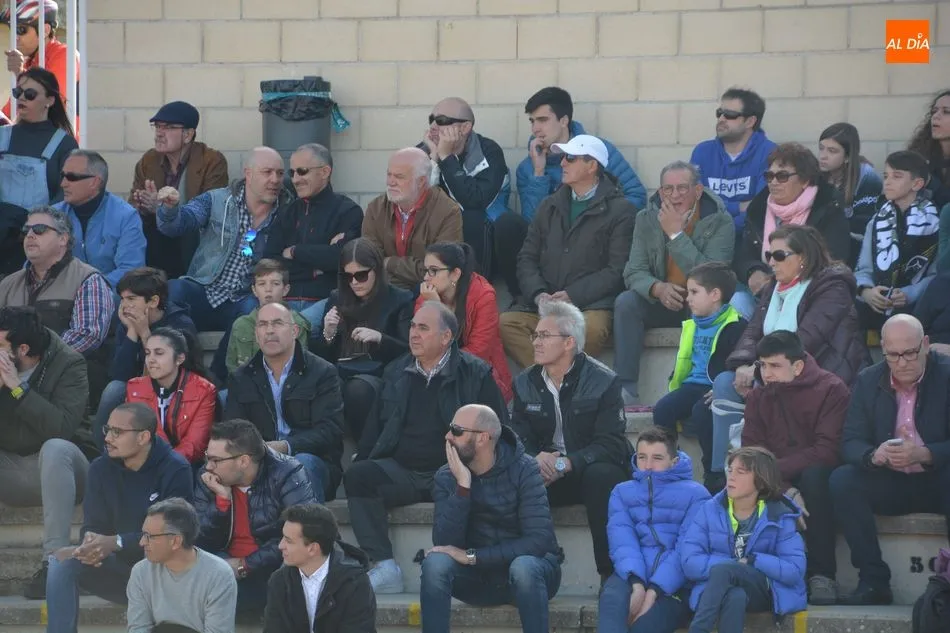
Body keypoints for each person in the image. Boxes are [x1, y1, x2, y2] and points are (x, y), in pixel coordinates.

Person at [343, 301, 507, 594]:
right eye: (412, 327)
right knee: (358, 476)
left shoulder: (475, 373)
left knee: (461, 486)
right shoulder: (396, 370)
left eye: (423, 328)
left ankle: (457, 568)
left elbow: (500, 431)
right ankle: (384, 566)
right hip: (402, 471)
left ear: (446, 337)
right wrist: (363, 458)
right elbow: (375, 429)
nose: (413, 334)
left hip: (452, 471)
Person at [709, 225, 869, 488]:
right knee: (724, 384)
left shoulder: (833, 286)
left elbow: (805, 341)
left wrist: (758, 369)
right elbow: (753, 331)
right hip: (775, 370)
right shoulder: (775, 286)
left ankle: (752, 474)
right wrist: (744, 364)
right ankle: (724, 475)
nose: (771, 263)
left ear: (803, 257)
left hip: (821, 372)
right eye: (769, 255)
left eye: (779, 256)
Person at [830, 314, 950, 606]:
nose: (902, 362)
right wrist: (874, 455)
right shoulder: (868, 379)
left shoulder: (946, 375)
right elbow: (851, 440)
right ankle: (873, 581)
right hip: (891, 481)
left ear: (925, 344)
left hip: (940, 479)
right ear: (883, 349)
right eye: (893, 355)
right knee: (843, 480)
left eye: (910, 353)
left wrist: (926, 453)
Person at [45, 402, 194, 633]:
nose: (107, 438)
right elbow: (93, 525)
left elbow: (173, 537)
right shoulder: (100, 468)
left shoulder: (175, 469)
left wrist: (116, 542)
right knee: (61, 562)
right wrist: (91, 545)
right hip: (120, 570)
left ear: (143, 437)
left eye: (117, 432)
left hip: (161, 573)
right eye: (107, 430)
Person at [510, 300, 630, 582]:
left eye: (544, 335)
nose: (535, 342)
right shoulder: (524, 382)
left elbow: (611, 444)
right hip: (546, 471)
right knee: (513, 475)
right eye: (535, 335)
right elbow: (516, 435)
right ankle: (526, 571)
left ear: (569, 342)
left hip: (586, 469)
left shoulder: (603, 381)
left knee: (603, 476)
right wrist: (535, 459)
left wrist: (566, 463)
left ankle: (609, 575)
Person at [421, 404, 562, 633]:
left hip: (530, 575)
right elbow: (445, 543)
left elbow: (538, 541)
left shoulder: (525, 469)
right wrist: (463, 487)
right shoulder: (447, 476)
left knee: (524, 567)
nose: (447, 436)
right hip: (479, 579)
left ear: (482, 438)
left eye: (456, 430)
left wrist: (472, 557)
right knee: (435, 564)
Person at [498, 86, 645, 303]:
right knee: (507, 225)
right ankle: (527, 298)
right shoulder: (528, 167)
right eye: (532, 121)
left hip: (594, 245)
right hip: (550, 245)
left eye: (543, 120)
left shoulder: (597, 150)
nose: (536, 128)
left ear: (564, 120)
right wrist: (539, 173)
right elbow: (532, 221)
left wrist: (601, 217)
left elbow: (636, 195)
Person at [156, 146, 292, 381]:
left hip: (244, 296)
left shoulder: (289, 211)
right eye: (267, 172)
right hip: (206, 289)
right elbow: (178, 224)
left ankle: (217, 380)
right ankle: (189, 367)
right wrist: (169, 209)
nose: (275, 180)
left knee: (255, 309)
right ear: (248, 174)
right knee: (174, 289)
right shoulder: (218, 200)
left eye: (280, 173)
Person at [500, 135, 635, 368]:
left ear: (592, 166)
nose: (562, 163)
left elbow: (617, 270)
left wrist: (572, 295)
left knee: (592, 330)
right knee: (506, 324)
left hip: (591, 305)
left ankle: (554, 379)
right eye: (563, 157)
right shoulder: (549, 205)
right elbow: (527, 257)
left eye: (570, 158)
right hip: (547, 303)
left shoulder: (621, 210)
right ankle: (554, 378)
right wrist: (539, 294)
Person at [613, 160, 740, 407]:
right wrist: (657, 288)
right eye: (668, 189)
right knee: (626, 303)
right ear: (660, 192)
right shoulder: (645, 218)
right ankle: (625, 389)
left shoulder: (720, 221)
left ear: (698, 191)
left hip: (699, 304)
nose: (674, 195)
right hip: (662, 299)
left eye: (682, 188)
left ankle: (702, 384)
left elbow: (714, 277)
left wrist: (675, 234)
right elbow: (634, 271)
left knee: (711, 303)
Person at [740, 331, 850, 605]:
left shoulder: (832, 389)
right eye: (762, 365)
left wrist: (774, 472)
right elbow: (752, 454)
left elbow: (827, 450)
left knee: (815, 478)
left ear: (798, 366)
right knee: (732, 479)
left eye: (775, 366)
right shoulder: (757, 397)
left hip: (819, 471)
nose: (766, 374)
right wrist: (786, 489)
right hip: (776, 478)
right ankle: (748, 574)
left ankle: (822, 575)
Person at [0, 307, 88, 600]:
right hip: (13, 469)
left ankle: (55, 563)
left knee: (55, 449)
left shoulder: (69, 363)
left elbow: (60, 428)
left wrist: (16, 388)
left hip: (64, 471)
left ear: (22, 349)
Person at [679, 446, 807, 633]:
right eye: (730, 470)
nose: (731, 477)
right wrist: (735, 564)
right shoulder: (709, 510)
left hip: (765, 589)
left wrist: (753, 560)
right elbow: (690, 561)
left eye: (741, 472)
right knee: (735, 596)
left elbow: (794, 570)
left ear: (761, 481)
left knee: (725, 570)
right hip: (720, 588)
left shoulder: (779, 515)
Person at [194, 419, 316, 615]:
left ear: (243, 461)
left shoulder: (287, 473)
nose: (208, 466)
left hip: (271, 568)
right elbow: (200, 538)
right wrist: (221, 503)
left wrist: (245, 565)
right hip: (223, 564)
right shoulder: (209, 478)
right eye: (207, 457)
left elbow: (301, 535)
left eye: (216, 460)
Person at [226, 302, 344, 502]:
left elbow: (330, 431)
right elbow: (233, 432)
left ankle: (307, 524)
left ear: (295, 331)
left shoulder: (322, 372)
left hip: (313, 461)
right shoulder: (241, 377)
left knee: (300, 465)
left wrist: (285, 446)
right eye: (263, 324)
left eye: (277, 323)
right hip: (260, 460)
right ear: (256, 334)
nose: (269, 330)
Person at [598, 426, 710, 633]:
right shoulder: (621, 492)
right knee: (612, 605)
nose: (648, 466)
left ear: (674, 461)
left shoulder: (697, 495)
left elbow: (686, 551)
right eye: (642, 457)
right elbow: (622, 542)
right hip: (630, 574)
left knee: (644, 627)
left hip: (676, 584)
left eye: (657, 458)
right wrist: (637, 583)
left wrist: (653, 591)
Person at [651, 262, 746, 485]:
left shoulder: (736, 325)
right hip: (692, 385)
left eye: (694, 292)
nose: (688, 298)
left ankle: (714, 474)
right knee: (663, 409)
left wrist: (722, 389)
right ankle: (669, 467)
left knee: (702, 413)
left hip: (715, 388)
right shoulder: (692, 322)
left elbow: (738, 362)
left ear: (715, 295)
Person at [311, 238, 413, 443]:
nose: (354, 282)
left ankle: (366, 448)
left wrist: (380, 338)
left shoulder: (400, 299)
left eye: (361, 275)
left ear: (376, 270)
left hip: (379, 372)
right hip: (340, 369)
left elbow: (409, 350)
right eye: (347, 276)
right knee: (324, 384)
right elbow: (321, 357)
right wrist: (328, 333)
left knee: (358, 389)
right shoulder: (337, 297)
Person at [94, 267, 197, 451]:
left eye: (131, 299)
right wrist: (132, 332)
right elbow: (119, 375)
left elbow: (168, 372)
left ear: (154, 301)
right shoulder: (127, 324)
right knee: (114, 389)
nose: (124, 305)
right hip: (136, 388)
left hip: (175, 391)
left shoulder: (180, 324)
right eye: (122, 299)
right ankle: (102, 451)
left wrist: (144, 333)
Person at [263, 142, 362, 325]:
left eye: (302, 171)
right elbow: (271, 262)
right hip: (285, 300)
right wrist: (315, 269)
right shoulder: (287, 212)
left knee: (292, 328)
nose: (295, 179)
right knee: (245, 327)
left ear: (325, 172)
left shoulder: (348, 211)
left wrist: (295, 251)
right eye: (292, 172)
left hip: (327, 302)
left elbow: (341, 260)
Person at [735, 143, 850, 298]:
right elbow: (745, 254)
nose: (773, 182)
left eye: (782, 176)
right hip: (763, 293)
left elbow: (832, 261)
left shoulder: (828, 209)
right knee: (738, 300)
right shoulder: (758, 210)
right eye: (769, 176)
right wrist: (753, 271)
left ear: (804, 180)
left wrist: (781, 282)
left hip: (810, 294)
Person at [130, 101, 229, 279]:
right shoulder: (149, 160)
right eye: (157, 126)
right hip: (156, 241)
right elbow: (132, 207)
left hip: (192, 242)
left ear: (188, 135)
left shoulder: (212, 161)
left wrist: (163, 208)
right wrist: (142, 205)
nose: (159, 133)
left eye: (168, 127)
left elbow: (213, 210)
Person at [0, 206, 113, 354]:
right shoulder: (8, 283)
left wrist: (35, 357)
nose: (30, 235)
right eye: (26, 230)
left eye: (39, 229)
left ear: (63, 239)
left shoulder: (89, 280)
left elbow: (86, 336)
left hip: (62, 367)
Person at [0, 66, 77, 275]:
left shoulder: (64, 144)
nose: (21, 98)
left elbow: (66, 193)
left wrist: (37, 227)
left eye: (30, 94)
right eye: (18, 92)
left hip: (36, 242)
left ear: (50, 101)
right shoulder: (2, 135)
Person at [420, 97, 509, 274]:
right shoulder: (422, 151)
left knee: (472, 217)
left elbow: (475, 201)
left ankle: (476, 283)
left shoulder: (489, 152)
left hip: (481, 234)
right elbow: (419, 200)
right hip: (439, 229)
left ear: (465, 127)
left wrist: (447, 158)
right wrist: (434, 160)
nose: (433, 126)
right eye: (431, 119)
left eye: (442, 120)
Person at [416, 241, 513, 402]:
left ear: (455, 274)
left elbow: (479, 352)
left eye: (434, 271)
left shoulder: (483, 296)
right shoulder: (426, 296)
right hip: (436, 369)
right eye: (425, 270)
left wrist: (438, 309)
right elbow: (423, 342)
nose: (426, 277)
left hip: (477, 373)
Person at [856, 150, 939, 331]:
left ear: (917, 184)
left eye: (897, 176)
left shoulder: (935, 222)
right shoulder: (876, 220)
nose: (887, 182)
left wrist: (910, 294)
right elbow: (863, 269)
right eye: (886, 176)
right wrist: (867, 292)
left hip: (920, 308)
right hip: (877, 307)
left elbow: (937, 274)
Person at [127, 498, 237, 633]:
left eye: (149, 536)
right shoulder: (141, 572)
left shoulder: (218, 575)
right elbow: (138, 628)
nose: (142, 542)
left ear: (175, 541)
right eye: (144, 534)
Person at [264, 503, 376, 633]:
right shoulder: (279, 581)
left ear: (313, 549)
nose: (280, 545)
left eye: (288, 541)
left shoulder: (355, 583)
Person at [362, 146, 463, 290]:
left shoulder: (448, 212)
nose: (390, 182)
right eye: (389, 174)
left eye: (399, 177)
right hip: (384, 291)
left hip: (430, 292)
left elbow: (439, 271)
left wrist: (389, 263)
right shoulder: (376, 208)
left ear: (421, 181)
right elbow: (369, 261)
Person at [690, 87, 776, 234]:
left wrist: (723, 228)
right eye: (719, 113)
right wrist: (739, 206)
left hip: (750, 238)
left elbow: (761, 207)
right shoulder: (702, 152)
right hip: (708, 239)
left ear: (750, 121)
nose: (721, 119)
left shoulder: (769, 153)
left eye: (730, 115)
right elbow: (695, 203)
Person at [125, 328, 217, 465]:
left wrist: (166, 465)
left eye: (159, 353)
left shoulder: (204, 390)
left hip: (185, 465)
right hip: (146, 463)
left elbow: (195, 444)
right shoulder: (135, 388)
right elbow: (136, 437)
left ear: (180, 358)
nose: (150, 360)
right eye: (148, 353)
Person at [56, 148, 146, 287]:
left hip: (108, 295)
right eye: (62, 175)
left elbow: (130, 270)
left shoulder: (126, 216)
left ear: (95, 182)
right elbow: (36, 264)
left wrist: (89, 289)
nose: (63, 183)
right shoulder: (52, 215)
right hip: (61, 294)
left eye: (72, 177)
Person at [225, 258, 310, 377]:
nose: (268, 289)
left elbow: (299, 367)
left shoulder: (297, 323)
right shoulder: (241, 325)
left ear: (285, 289)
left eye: (275, 284)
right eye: (262, 284)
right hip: (246, 385)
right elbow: (232, 367)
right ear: (254, 290)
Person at [0, 1, 78, 126]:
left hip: (62, 137)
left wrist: (20, 73)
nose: (15, 37)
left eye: (21, 29)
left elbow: (49, 106)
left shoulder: (65, 55)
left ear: (45, 30)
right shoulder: (30, 63)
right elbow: (9, 113)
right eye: (12, 29)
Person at [818, 123, 884, 267]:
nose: (823, 156)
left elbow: (862, 227)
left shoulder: (867, 177)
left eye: (832, 151)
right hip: (822, 248)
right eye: (821, 148)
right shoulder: (818, 177)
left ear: (847, 157)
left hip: (855, 253)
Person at [908, 89, 950, 209]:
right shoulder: (919, 155)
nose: (936, 116)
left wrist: (931, 182)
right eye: (934, 111)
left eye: (946, 112)